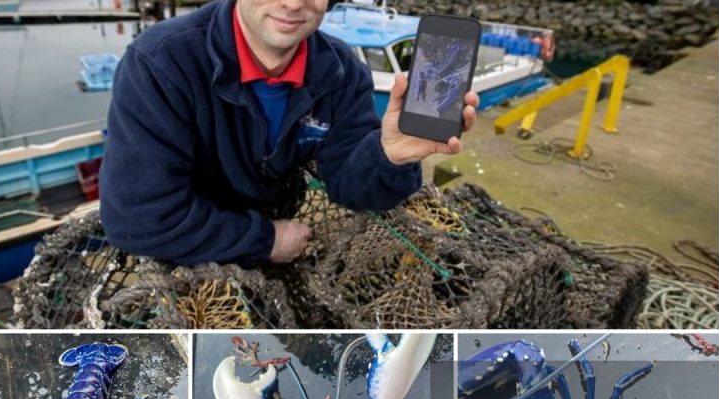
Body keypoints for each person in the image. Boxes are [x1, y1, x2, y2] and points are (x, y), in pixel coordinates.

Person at [99, 0, 479, 267]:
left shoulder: (342, 71)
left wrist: (390, 155)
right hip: (191, 245)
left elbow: (350, 185)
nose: (294, 3)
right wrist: (266, 241)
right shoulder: (160, 63)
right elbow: (137, 218)